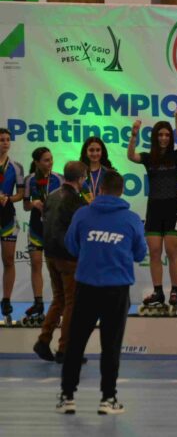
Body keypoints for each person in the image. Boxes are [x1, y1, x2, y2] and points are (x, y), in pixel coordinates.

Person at [56, 170, 146, 415]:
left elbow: (71, 246)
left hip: (86, 287)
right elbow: (140, 253)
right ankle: (108, 398)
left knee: (75, 343)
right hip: (117, 290)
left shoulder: (83, 214)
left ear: (100, 189)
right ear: (121, 191)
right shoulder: (131, 219)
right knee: (111, 345)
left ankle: (67, 397)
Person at [127, 105, 177, 315]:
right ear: (155, 137)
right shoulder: (148, 157)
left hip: (173, 209)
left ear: (170, 137)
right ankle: (158, 292)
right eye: (160, 135)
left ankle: (175, 291)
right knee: (154, 252)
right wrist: (133, 135)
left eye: (167, 135)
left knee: (172, 252)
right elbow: (131, 156)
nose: (163, 138)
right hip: (153, 209)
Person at [33, 161, 87, 363]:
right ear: (81, 178)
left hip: (50, 254)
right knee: (72, 303)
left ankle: (44, 340)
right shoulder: (76, 202)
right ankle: (65, 349)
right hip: (68, 257)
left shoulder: (52, 196)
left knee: (59, 299)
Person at [23, 147, 64, 326]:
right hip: (36, 228)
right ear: (37, 163)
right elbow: (25, 206)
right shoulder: (29, 179)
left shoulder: (59, 178)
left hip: (54, 230)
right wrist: (34, 203)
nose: (50, 163)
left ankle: (60, 303)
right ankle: (38, 303)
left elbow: (65, 202)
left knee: (56, 268)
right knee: (36, 264)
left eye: (51, 159)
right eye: (46, 160)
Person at [0, 128, 24, 325]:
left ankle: (6, 301)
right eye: (1, 140)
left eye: (8, 139)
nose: (5, 143)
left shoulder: (16, 167)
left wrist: (8, 198)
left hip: (7, 216)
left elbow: (21, 194)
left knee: (8, 260)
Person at [79, 136, 113, 203]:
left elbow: (113, 196)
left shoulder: (109, 173)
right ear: (86, 152)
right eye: (91, 150)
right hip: (84, 208)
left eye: (98, 150)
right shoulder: (79, 172)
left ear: (102, 152)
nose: (95, 153)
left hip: (104, 207)